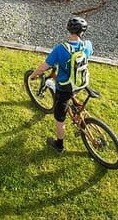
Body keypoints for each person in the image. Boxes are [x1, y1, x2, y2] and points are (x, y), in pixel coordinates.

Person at [29, 17, 93, 153]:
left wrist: (33, 75)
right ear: (83, 32)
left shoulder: (60, 49)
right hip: (81, 83)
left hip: (65, 87)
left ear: (68, 29)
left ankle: (59, 145)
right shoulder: (87, 45)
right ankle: (76, 106)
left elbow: (43, 68)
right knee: (72, 94)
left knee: (60, 119)